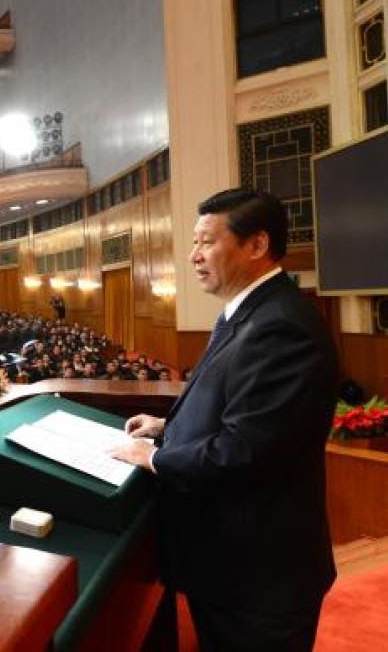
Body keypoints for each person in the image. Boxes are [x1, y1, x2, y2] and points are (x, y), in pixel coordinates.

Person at [110, 188, 338, 652]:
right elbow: (236, 408)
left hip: (259, 576)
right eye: (193, 243)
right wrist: (166, 427)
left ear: (256, 246)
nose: (193, 256)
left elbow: (245, 451)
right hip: (232, 567)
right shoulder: (247, 314)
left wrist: (155, 457)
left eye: (207, 242)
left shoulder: (280, 326)